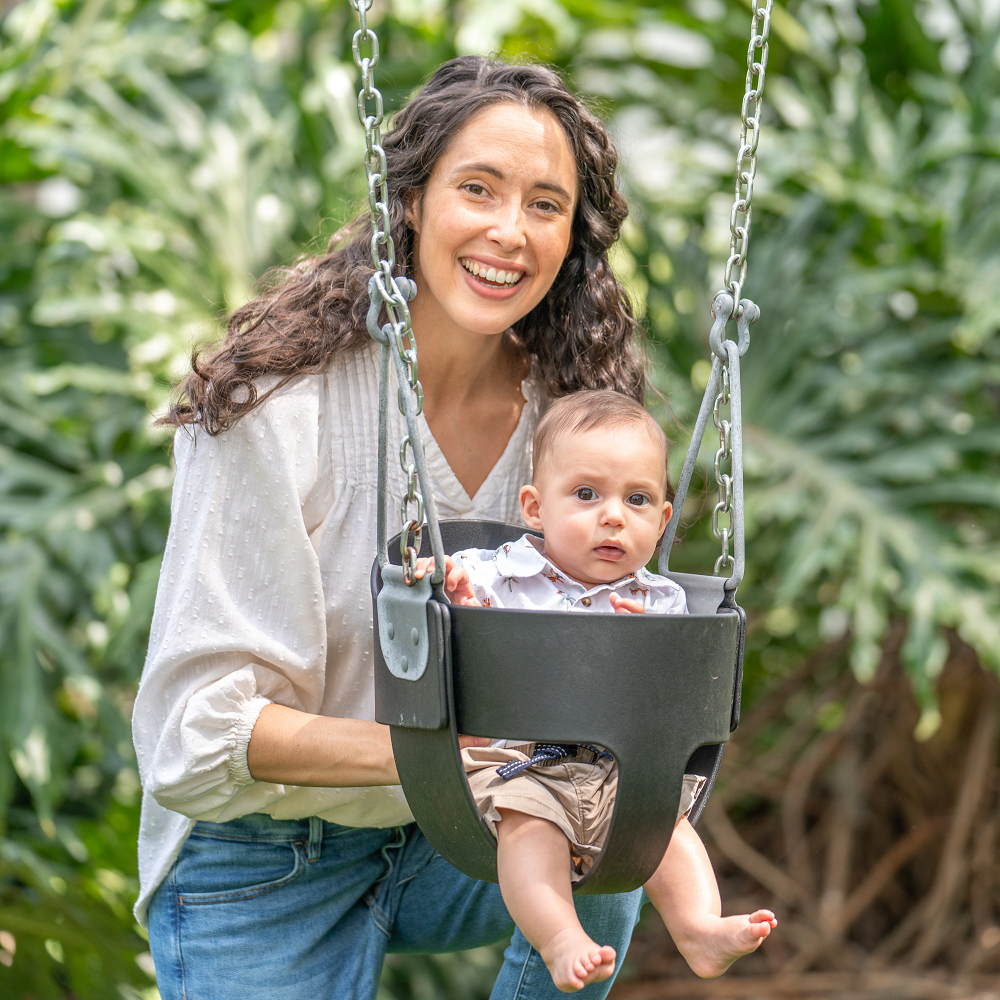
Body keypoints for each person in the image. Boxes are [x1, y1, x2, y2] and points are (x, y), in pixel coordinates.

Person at [132, 56, 664, 1000]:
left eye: (545, 205)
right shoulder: (277, 411)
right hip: (260, 858)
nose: (509, 231)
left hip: (453, 839)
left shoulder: (563, 433)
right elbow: (192, 732)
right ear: (412, 202)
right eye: (477, 188)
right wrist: (455, 751)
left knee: (615, 839)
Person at [416, 390, 776, 992]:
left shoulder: (664, 602)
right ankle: (560, 937)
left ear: (662, 522)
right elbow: (447, 598)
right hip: (519, 768)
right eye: (587, 495)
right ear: (535, 507)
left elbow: (679, 697)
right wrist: (446, 586)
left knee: (663, 827)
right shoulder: (498, 571)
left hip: (619, 771)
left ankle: (698, 929)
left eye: (637, 500)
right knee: (531, 830)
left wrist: (644, 654)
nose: (613, 516)